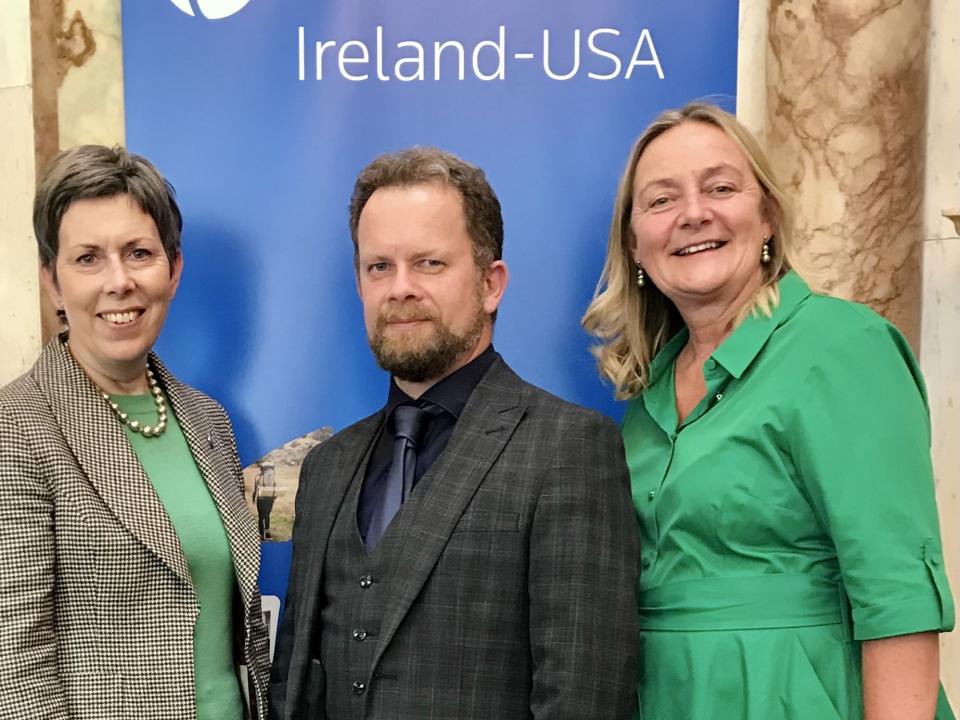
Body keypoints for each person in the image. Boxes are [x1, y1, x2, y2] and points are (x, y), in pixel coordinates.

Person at [582, 102, 956, 720]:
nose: (693, 213)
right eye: (661, 200)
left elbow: (896, 590)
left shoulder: (841, 348)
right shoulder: (646, 398)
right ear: (635, 244)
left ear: (769, 217)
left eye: (721, 187)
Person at [269, 147, 639, 720]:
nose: (400, 288)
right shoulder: (328, 466)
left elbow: (584, 700)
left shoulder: (569, 449)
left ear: (491, 284)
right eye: (379, 267)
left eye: (430, 263)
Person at [0, 145, 270, 719]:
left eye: (138, 253)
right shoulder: (16, 426)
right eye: (88, 258)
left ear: (173, 270)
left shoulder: (206, 418)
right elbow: (16, 673)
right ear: (52, 283)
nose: (118, 281)